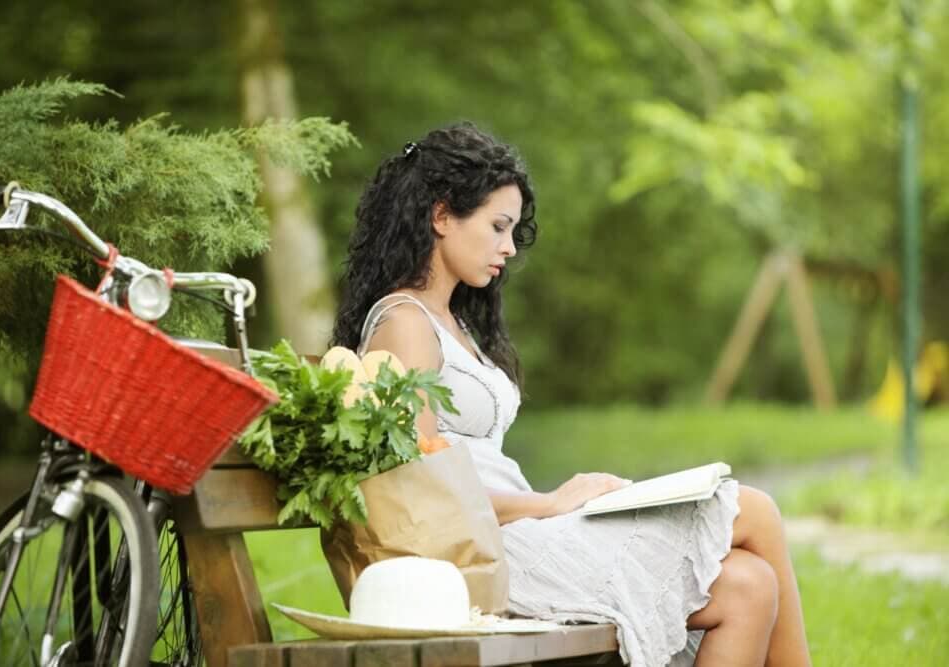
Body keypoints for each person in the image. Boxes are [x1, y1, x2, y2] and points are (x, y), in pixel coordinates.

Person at [331, 123, 812, 667]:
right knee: (755, 510)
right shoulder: (405, 323)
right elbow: (420, 491)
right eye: (497, 227)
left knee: (748, 584)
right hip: (480, 555)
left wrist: (549, 507)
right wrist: (550, 503)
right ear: (441, 216)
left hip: (517, 532)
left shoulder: (452, 321)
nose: (509, 247)